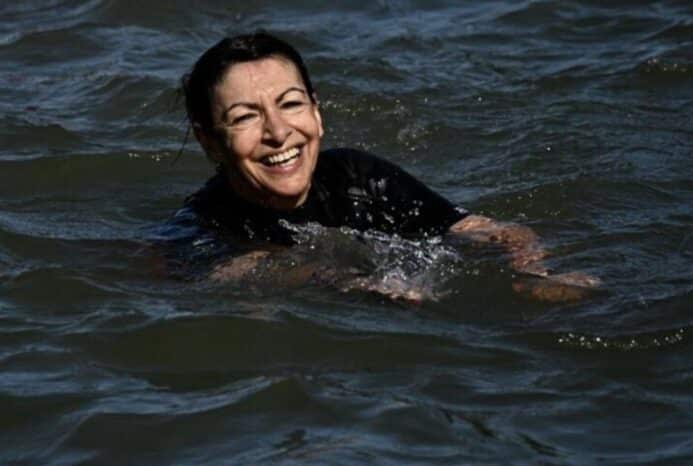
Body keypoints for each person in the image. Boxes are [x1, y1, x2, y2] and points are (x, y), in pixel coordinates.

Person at [178, 31, 597, 301]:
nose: (278, 131)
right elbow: (224, 278)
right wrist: (337, 279)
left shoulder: (359, 178)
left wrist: (531, 271)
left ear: (317, 114)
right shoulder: (206, 222)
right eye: (245, 117)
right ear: (209, 141)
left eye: (291, 105)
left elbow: (482, 228)